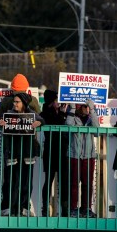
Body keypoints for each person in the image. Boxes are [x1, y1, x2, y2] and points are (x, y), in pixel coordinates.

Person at [0, 93, 44, 216]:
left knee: (26, 181)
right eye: (14, 102)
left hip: (27, 152)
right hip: (13, 152)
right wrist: (0, 122)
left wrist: (39, 123)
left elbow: (41, 119)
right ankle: (8, 208)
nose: (14, 104)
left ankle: (23, 207)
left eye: (17, 102)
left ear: (24, 103)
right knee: (11, 180)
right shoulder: (8, 114)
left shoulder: (32, 114)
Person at [66, 99, 100, 218]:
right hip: (74, 154)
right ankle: (73, 208)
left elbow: (97, 130)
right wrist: (73, 108)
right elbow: (68, 126)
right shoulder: (73, 117)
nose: (87, 109)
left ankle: (86, 208)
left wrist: (92, 110)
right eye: (85, 107)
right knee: (74, 183)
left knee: (88, 183)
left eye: (88, 107)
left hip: (88, 155)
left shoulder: (91, 118)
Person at [39, 89, 70, 217]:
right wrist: (62, 114)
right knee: (49, 180)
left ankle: (64, 209)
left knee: (63, 181)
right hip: (51, 151)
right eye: (56, 100)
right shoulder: (45, 113)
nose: (59, 102)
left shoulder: (58, 112)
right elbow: (56, 123)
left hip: (62, 151)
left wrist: (62, 113)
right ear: (52, 101)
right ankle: (45, 208)